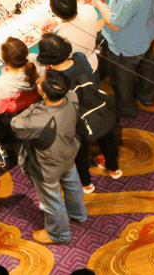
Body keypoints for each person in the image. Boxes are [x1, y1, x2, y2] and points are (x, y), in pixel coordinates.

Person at [36, 33, 121, 194]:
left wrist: (41, 86)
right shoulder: (80, 58)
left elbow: (53, 100)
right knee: (108, 140)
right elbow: (89, 75)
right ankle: (114, 168)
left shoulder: (52, 78)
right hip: (98, 108)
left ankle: (86, 184)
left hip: (75, 120)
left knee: (79, 153)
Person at [11, 70, 88, 245]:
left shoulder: (39, 119)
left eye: (39, 81)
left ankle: (59, 234)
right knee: (72, 182)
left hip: (47, 167)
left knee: (51, 200)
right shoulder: (72, 96)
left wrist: (35, 106)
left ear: (44, 93)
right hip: (69, 153)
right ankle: (78, 213)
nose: (38, 80)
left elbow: (16, 125)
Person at [90, 0, 154, 118]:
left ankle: (127, 109)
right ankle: (148, 96)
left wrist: (99, 4)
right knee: (148, 66)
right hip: (148, 32)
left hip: (126, 46)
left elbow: (115, 23)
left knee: (121, 79)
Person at [43, 0, 101, 73]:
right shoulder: (89, 10)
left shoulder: (61, 38)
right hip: (93, 62)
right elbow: (76, 13)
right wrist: (57, 20)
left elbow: (56, 62)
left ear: (53, 11)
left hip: (77, 72)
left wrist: (48, 39)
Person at [0, 38, 41, 116]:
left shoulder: (1, 83)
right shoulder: (34, 58)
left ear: (5, 60)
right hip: (39, 100)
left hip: (20, 113)